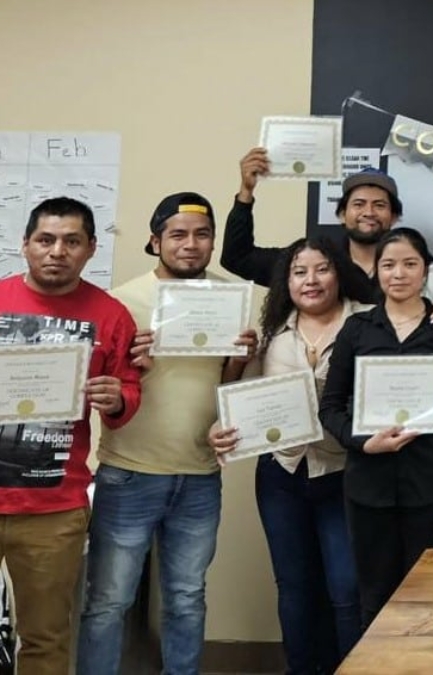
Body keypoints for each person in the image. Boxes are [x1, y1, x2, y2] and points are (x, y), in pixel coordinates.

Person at [77, 193, 258, 675]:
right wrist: (135, 367)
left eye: (202, 235)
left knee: (186, 596)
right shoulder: (122, 301)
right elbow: (99, 389)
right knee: (109, 600)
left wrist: (241, 357)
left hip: (199, 476)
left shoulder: (231, 299)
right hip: (130, 473)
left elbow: (228, 391)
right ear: (155, 241)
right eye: (177, 234)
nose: (190, 245)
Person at [208, 237, 370, 671]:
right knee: (295, 587)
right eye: (300, 271)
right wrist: (223, 416)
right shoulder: (272, 332)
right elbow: (241, 400)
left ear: (339, 273)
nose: (311, 280)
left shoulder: (370, 323)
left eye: (322, 269)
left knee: (345, 587)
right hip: (282, 473)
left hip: (343, 470)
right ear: (287, 280)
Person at [0, 197, 141, 675]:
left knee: (44, 637)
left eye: (71, 241)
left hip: (53, 506)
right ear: (25, 245)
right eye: (46, 239)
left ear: (90, 249)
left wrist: (117, 398)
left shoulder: (112, 315)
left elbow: (128, 391)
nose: (57, 250)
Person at [318, 228, 433, 629]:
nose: (398, 274)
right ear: (377, 272)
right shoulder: (357, 329)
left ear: (425, 271)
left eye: (409, 264)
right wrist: (363, 443)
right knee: (375, 600)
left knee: (429, 602)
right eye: (388, 265)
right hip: (369, 489)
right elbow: (331, 407)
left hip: (431, 489)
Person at [221, 149, 433, 323]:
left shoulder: (418, 266)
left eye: (379, 205)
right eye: (358, 204)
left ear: (394, 217)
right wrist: (246, 193)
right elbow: (237, 258)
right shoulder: (314, 262)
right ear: (341, 214)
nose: (369, 212)